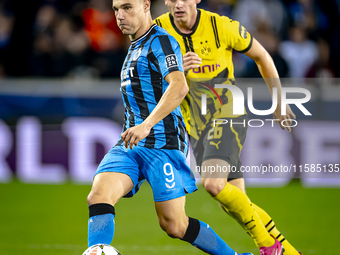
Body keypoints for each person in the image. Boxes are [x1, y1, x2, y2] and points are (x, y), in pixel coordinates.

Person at [86, 0, 253, 254]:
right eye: (116, 9)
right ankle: (97, 251)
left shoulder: (160, 41)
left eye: (127, 7)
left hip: (163, 143)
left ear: (145, 5)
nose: (120, 15)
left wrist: (146, 125)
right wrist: (138, 129)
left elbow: (179, 86)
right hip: (130, 144)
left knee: (174, 225)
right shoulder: (134, 46)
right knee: (98, 196)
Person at [154, 1, 302, 255]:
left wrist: (279, 99)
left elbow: (261, 55)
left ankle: (268, 246)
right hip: (196, 127)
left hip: (227, 115)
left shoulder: (221, 25)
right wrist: (175, 68)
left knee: (212, 183)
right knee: (233, 200)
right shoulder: (158, 31)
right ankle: (288, 251)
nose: (179, 4)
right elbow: (146, 76)